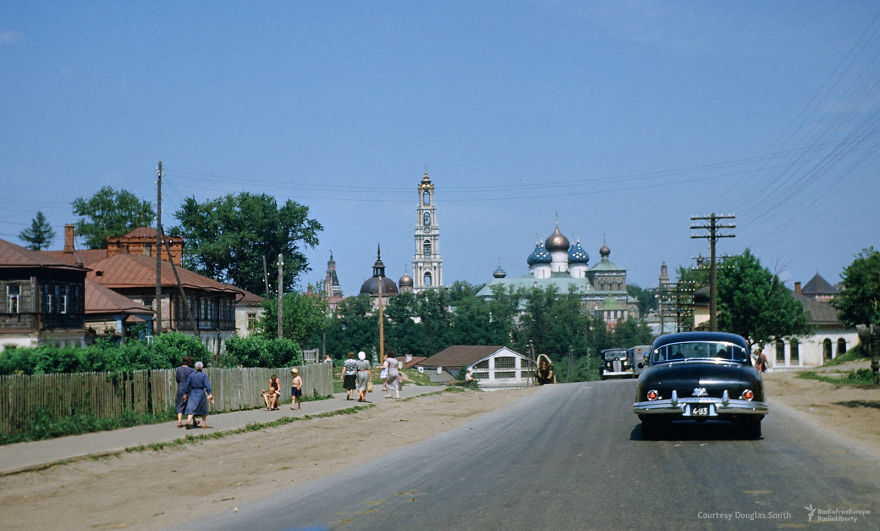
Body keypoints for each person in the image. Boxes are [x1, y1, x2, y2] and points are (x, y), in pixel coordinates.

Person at [183, 361, 213, 429]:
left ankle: (188, 420)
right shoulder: (203, 375)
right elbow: (207, 385)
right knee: (203, 408)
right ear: (202, 367)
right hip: (201, 392)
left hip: (193, 392)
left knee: (191, 408)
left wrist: (185, 393)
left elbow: (187, 385)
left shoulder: (191, 375)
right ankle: (204, 424)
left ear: (195, 367)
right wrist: (210, 393)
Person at [175, 355, 195, 428]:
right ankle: (193, 421)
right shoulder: (191, 370)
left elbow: (177, 379)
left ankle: (179, 421)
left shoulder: (178, 369)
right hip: (189, 389)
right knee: (191, 405)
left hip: (181, 388)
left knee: (180, 404)